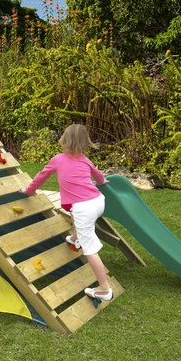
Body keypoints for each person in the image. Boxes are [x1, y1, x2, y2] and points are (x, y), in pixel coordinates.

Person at [21, 124, 112, 301]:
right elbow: (99, 177)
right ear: (86, 143)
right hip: (98, 201)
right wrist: (103, 182)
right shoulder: (85, 159)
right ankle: (75, 239)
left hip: (84, 207)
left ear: (64, 140)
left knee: (90, 250)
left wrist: (29, 191)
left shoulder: (57, 159)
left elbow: (40, 177)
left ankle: (104, 289)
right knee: (77, 217)